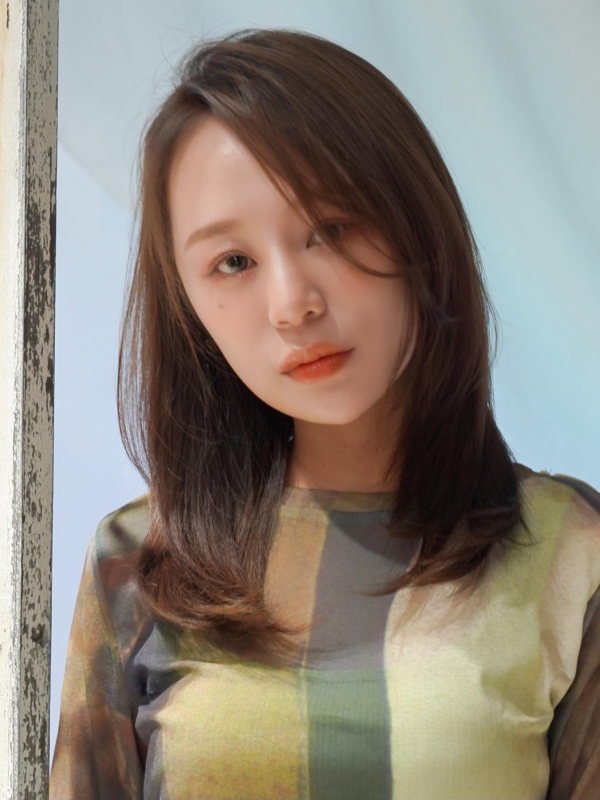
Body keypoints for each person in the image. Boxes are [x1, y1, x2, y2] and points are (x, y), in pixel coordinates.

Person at [50, 27, 600, 800]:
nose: (292, 304)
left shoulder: (568, 549)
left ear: (419, 227)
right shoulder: (139, 564)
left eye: (333, 228)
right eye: (233, 262)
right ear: (188, 305)